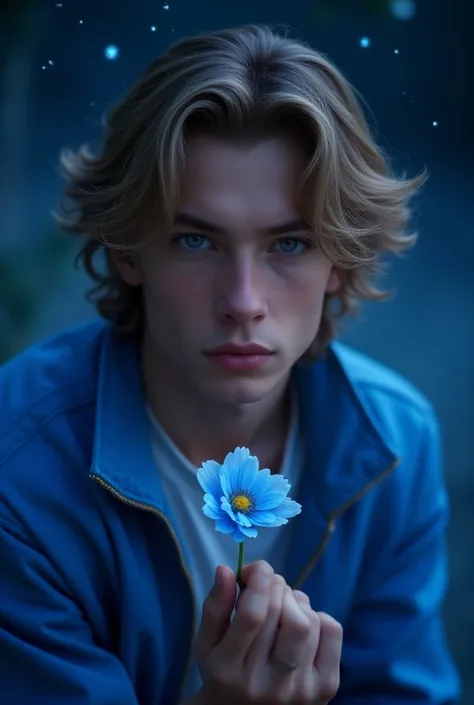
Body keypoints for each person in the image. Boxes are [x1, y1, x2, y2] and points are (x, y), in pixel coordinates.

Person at [0, 23, 460, 705]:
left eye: (289, 244)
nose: (244, 302)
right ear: (129, 250)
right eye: (195, 239)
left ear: (340, 256)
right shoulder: (18, 463)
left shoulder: (395, 441)